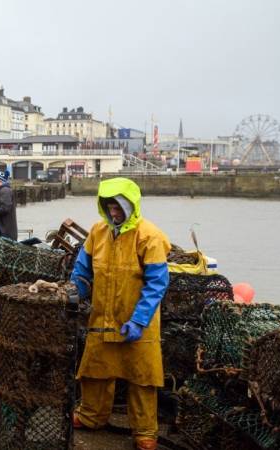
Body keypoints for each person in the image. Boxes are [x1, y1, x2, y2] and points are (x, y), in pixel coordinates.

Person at [70, 177, 170, 450]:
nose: (114, 213)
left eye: (118, 207)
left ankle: (145, 432)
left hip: (138, 322)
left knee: (143, 377)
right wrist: (72, 291)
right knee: (94, 370)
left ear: (130, 205)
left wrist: (139, 320)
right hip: (102, 318)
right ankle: (91, 416)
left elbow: (157, 283)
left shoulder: (150, 236)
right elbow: (82, 270)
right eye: (109, 207)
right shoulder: (97, 232)